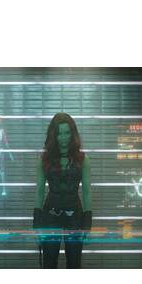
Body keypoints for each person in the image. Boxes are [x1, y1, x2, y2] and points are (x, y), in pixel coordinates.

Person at [33, 112, 92, 268]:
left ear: (73, 134)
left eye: (67, 133)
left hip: (75, 215)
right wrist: (36, 223)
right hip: (50, 215)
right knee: (49, 263)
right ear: (54, 135)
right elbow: (39, 190)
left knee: (74, 263)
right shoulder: (44, 159)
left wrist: (87, 222)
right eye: (60, 133)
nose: (64, 138)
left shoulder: (83, 159)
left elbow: (87, 191)